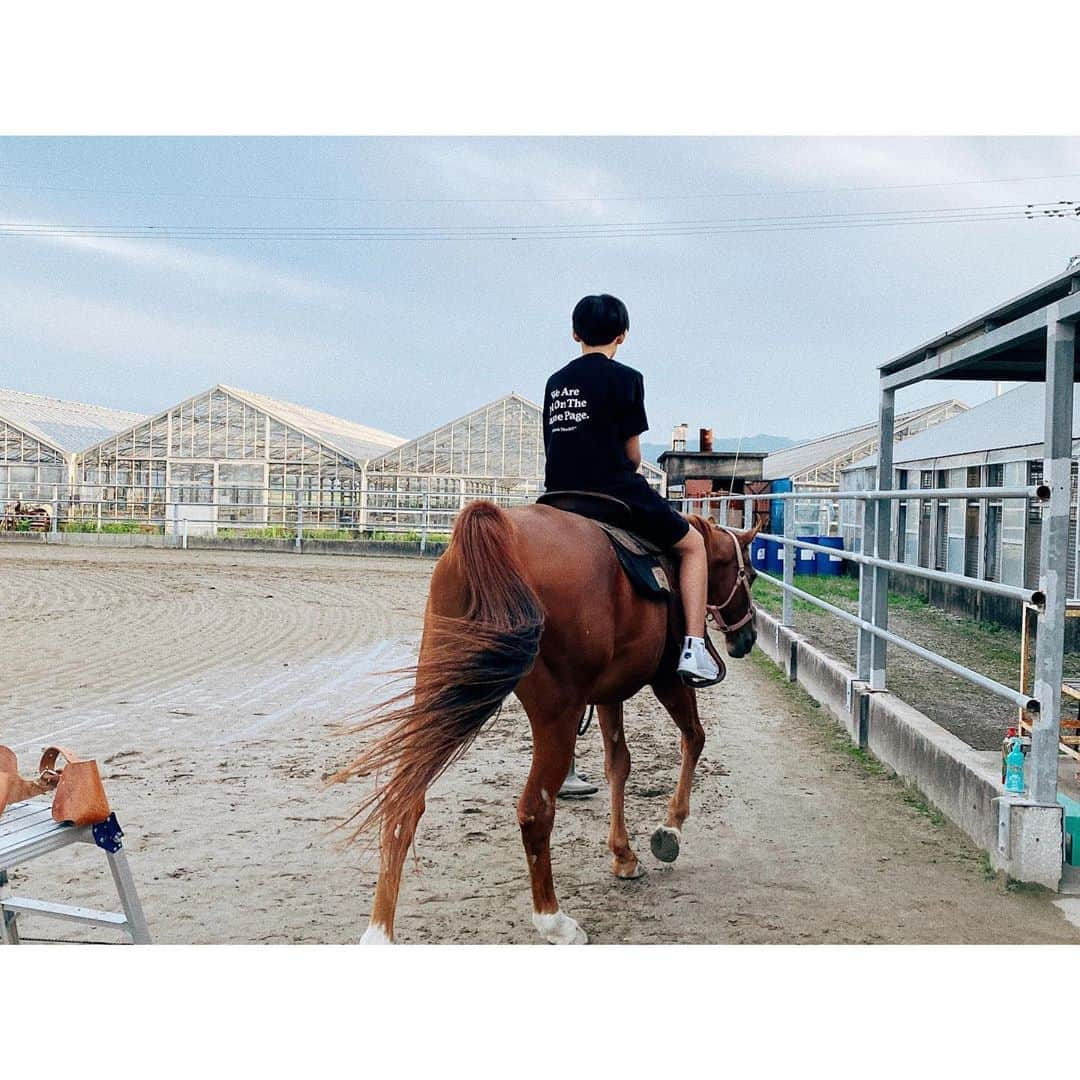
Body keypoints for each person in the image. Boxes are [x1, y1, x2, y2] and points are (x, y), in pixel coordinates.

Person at [542, 294, 719, 686]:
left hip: (557, 497)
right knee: (692, 545)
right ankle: (693, 646)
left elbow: (554, 445)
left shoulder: (556, 383)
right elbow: (633, 455)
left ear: (575, 334)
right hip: (611, 493)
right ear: (622, 336)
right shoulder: (627, 379)